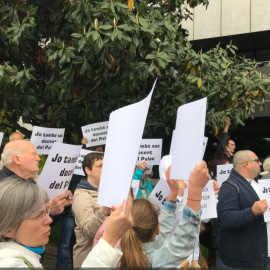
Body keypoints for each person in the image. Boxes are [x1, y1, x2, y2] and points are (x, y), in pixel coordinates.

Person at [119, 161, 209, 268]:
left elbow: (165, 230)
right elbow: (182, 245)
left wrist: (173, 194)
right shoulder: (153, 262)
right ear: (157, 229)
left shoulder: (118, 254)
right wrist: (195, 191)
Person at [217, 150, 268, 268]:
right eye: (257, 161)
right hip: (242, 260)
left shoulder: (257, 183)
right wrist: (252, 212)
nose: (260, 163)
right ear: (246, 163)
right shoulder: (230, 186)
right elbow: (225, 218)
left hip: (260, 254)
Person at [0, 140, 71, 216]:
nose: (38, 158)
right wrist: (47, 210)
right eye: (33, 154)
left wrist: (61, 205)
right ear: (17, 159)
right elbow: (11, 222)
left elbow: (46, 225)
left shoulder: (32, 184)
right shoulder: (2, 186)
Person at [0, 177, 52, 268]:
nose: (49, 220)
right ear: (8, 230)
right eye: (39, 215)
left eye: (46, 211)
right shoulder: (13, 265)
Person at [72, 152, 111, 268]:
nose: (105, 169)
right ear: (88, 170)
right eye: (100, 166)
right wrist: (104, 210)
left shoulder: (108, 192)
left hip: (106, 259)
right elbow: (89, 231)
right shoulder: (81, 196)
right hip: (88, 260)